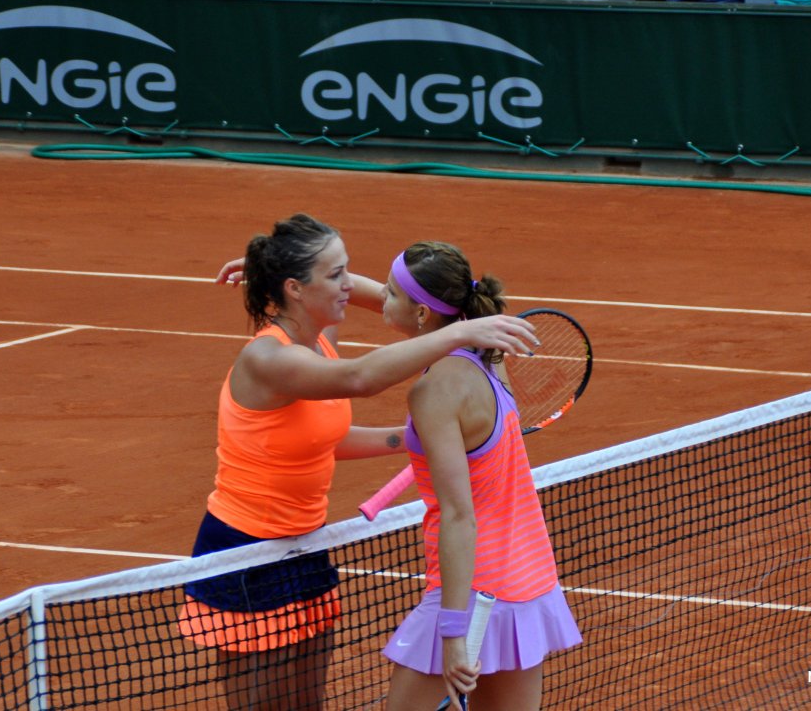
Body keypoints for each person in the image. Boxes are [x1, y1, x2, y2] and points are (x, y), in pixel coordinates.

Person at [175, 215, 538, 711]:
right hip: (248, 554)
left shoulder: (318, 338)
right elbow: (360, 379)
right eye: (336, 275)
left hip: (305, 546)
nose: (351, 285)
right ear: (295, 289)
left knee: (306, 705)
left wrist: (417, 438)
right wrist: (460, 333)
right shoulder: (268, 359)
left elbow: (326, 433)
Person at [380, 242, 582, 711]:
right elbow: (417, 314)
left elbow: (459, 515)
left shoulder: (433, 391)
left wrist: (453, 633)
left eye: (389, 292)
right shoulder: (490, 353)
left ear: (423, 313)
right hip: (527, 581)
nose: (379, 299)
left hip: (471, 590)